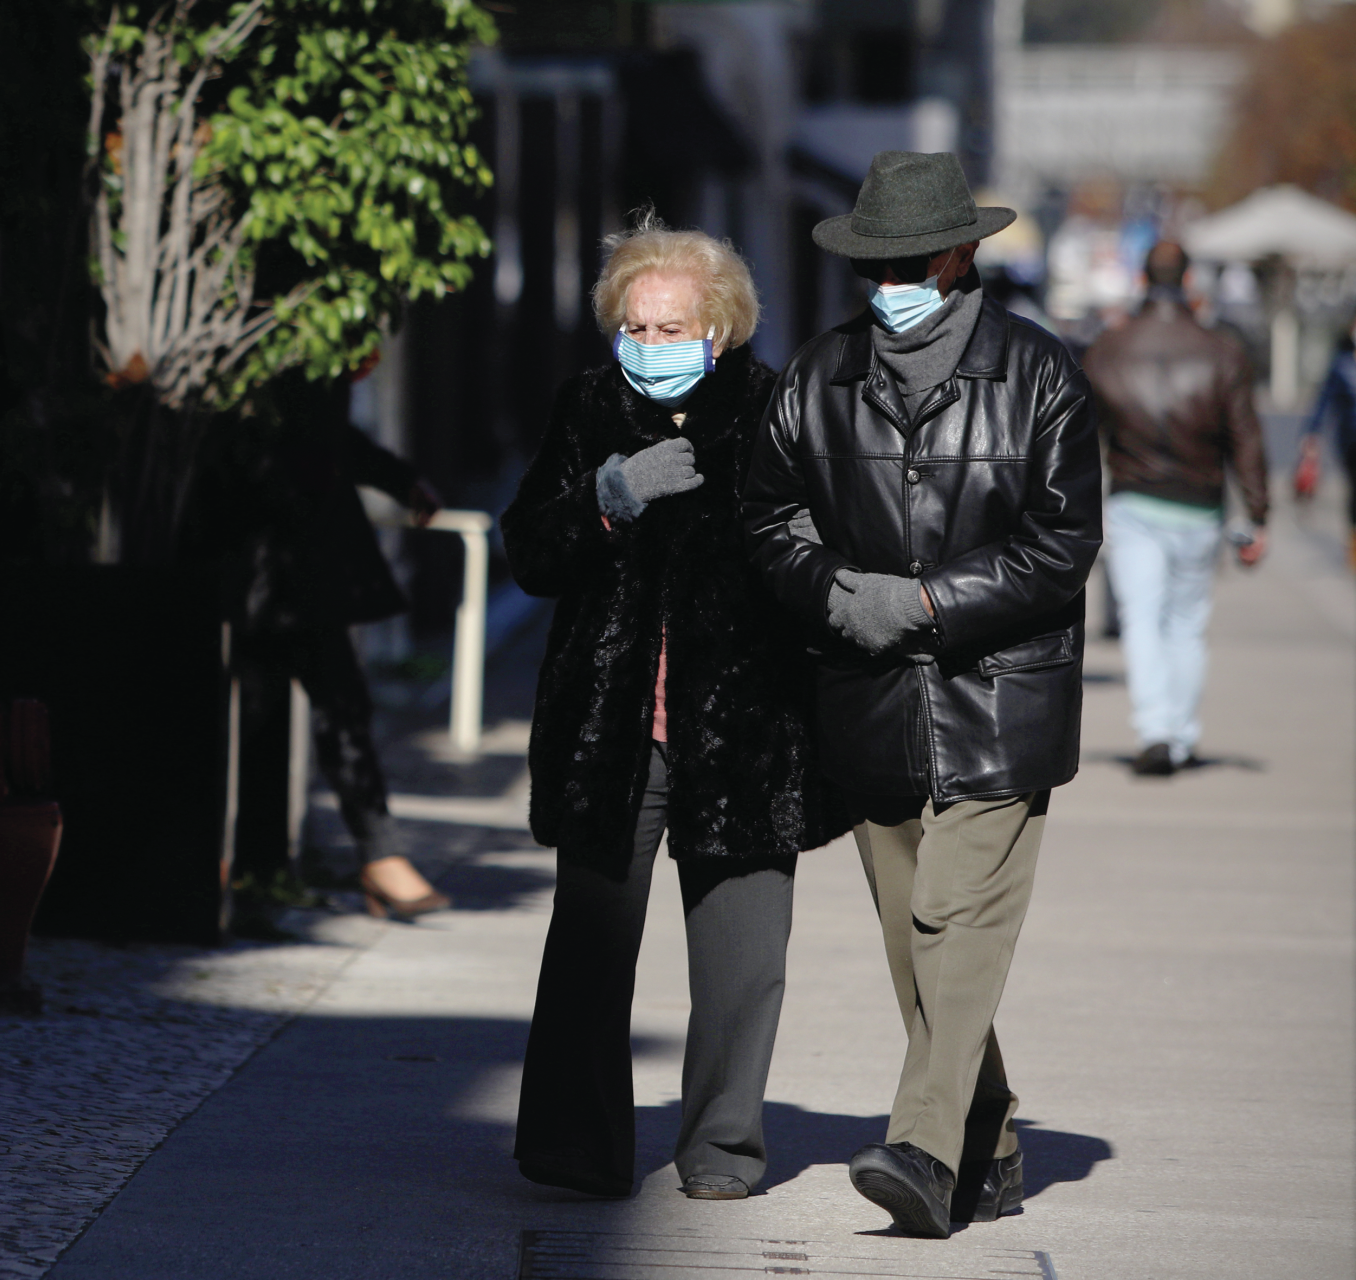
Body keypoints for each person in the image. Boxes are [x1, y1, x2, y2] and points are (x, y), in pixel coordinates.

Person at [744, 151, 1102, 1237]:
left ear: (960, 254)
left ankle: (923, 1152)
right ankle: (988, 1144)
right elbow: (767, 519)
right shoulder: (819, 373)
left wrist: (932, 603)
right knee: (917, 941)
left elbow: (1063, 542)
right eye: (874, 259)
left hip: (1003, 698)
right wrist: (840, 593)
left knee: (956, 919)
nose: (889, 277)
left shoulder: (1040, 372)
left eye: (909, 259)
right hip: (867, 700)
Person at [503, 214, 848, 1202]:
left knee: (743, 963)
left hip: (746, 731)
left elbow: (815, 563)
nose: (650, 348)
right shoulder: (587, 408)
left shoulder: (778, 412)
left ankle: (723, 1147)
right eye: (636, 328)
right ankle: (575, 1142)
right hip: (610, 730)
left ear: (723, 327)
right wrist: (607, 495)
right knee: (589, 948)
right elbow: (529, 548)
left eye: (671, 329)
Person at [220, 367, 449, 920]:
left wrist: (396, 478)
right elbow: (305, 436)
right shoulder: (288, 335)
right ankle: (361, 858)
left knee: (311, 704)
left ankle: (276, 868)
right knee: (309, 705)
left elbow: (326, 435)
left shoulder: (309, 343)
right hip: (272, 552)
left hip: (297, 553)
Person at [1082, 240, 1269, 777]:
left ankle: (1156, 730)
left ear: (1142, 280)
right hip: (1199, 506)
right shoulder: (1222, 350)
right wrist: (1257, 515)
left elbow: (1077, 438)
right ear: (1189, 283)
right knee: (1185, 624)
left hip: (1133, 498)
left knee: (1141, 617)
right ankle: (1180, 736)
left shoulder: (1109, 348)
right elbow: (1247, 438)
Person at [1297, 314, 1356, 570]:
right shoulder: (1342, 365)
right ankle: (1353, 541)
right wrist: (1312, 434)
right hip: (1350, 440)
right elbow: (1324, 402)